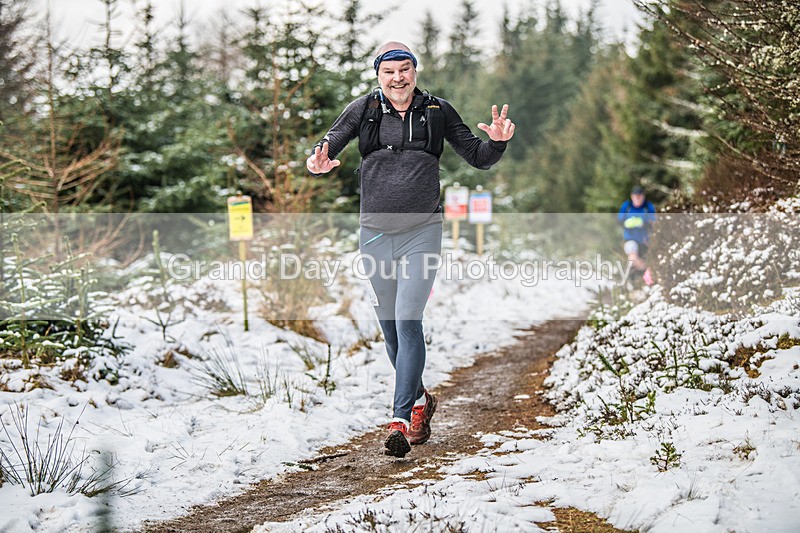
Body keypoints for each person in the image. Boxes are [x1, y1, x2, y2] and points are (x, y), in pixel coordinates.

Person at [306, 42, 515, 457]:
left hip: (423, 230)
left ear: (415, 73)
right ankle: (421, 400)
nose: (397, 77)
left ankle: (400, 418)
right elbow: (329, 144)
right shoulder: (363, 109)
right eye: (389, 72)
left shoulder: (437, 111)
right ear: (378, 76)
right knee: (389, 329)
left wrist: (497, 143)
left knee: (407, 320)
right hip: (375, 234)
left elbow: (477, 155)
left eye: (405, 69)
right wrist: (319, 162)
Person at [618, 185, 656, 286]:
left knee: (649, 260)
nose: (638, 198)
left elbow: (654, 221)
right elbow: (619, 220)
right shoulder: (627, 206)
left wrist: (643, 222)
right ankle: (634, 278)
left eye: (640, 196)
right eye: (636, 196)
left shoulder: (648, 207)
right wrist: (627, 222)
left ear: (643, 196)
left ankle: (646, 279)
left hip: (645, 241)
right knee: (632, 257)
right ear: (632, 196)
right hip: (630, 240)